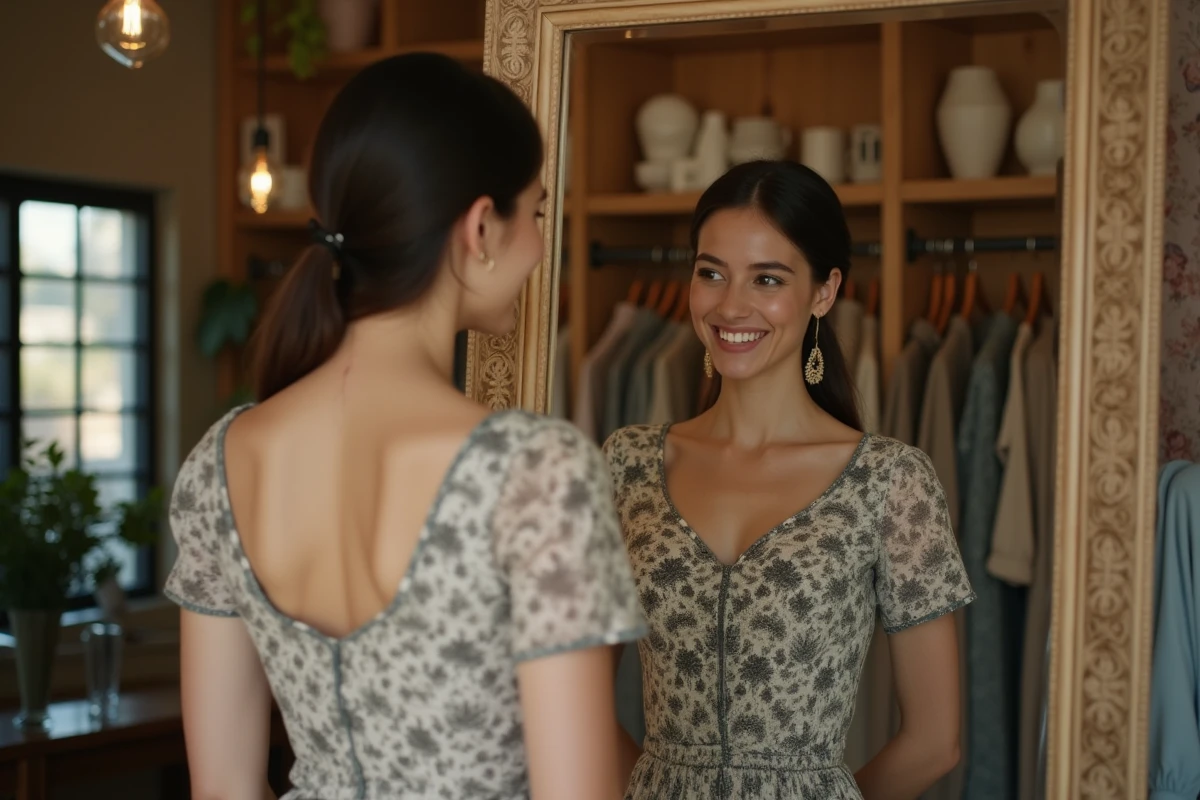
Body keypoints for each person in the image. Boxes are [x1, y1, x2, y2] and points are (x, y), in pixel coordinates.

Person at [163, 52, 646, 800]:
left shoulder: (221, 464)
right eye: (538, 212)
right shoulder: (534, 471)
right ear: (481, 226)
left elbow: (223, 787)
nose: (540, 246)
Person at [603, 160, 974, 800]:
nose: (730, 305)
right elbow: (578, 701)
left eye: (767, 278)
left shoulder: (890, 481)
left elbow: (936, 742)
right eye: (710, 272)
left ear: (824, 293)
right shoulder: (627, 465)